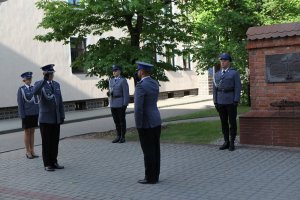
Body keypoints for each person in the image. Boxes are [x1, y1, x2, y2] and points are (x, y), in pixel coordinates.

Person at [32, 64, 65, 171]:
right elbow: (35, 91)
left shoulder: (56, 85)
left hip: (55, 118)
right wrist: (44, 80)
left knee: (55, 142)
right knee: (46, 142)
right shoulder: (39, 84)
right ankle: (47, 164)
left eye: (52, 73)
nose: (51, 75)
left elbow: (60, 101)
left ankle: (54, 161)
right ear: (45, 74)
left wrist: (62, 115)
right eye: (49, 74)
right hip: (45, 119)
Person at [134, 61, 161, 184]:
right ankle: (155, 175)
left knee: (148, 151)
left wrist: (138, 124)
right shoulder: (154, 83)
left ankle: (150, 177)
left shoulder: (140, 86)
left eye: (138, 70)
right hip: (156, 120)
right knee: (155, 149)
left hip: (146, 123)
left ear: (142, 72)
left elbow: (138, 108)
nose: (138, 72)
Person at [213, 53, 242, 151]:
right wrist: (215, 101)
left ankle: (232, 142)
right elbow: (215, 89)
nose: (222, 62)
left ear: (228, 62)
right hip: (220, 101)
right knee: (223, 122)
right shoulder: (217, 74)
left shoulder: (234, 73)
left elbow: (238, 87)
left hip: (230, 101)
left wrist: (236, 100)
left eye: (224, 61)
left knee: (232, 122)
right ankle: (226, 141)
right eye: (221, 61)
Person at [17, 72, 39, 159]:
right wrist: (22, 115)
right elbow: (20, 103)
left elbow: (36, 101)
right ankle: (27, 151)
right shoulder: (21, 89)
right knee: (27, 132)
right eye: (28, 79)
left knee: (32, 132)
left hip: (34, 113)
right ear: (24, 80)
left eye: (30, 79)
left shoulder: (33, 88)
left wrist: (38, 112)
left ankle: (32, 150)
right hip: (26, 114)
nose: (29, 80)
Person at [107, 65, 129, 143]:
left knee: (122, 121)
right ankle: (118, 135)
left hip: (120, 103)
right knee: (116, 121)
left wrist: (125, 104)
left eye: (115, 70)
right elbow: (110, 91)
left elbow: (126, 93)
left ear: (119, 71)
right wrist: (108, 93)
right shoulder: (111, 80)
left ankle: (123, 136)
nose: (114, 72)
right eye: (113, 71)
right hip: (113, 103)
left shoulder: (123, 80)